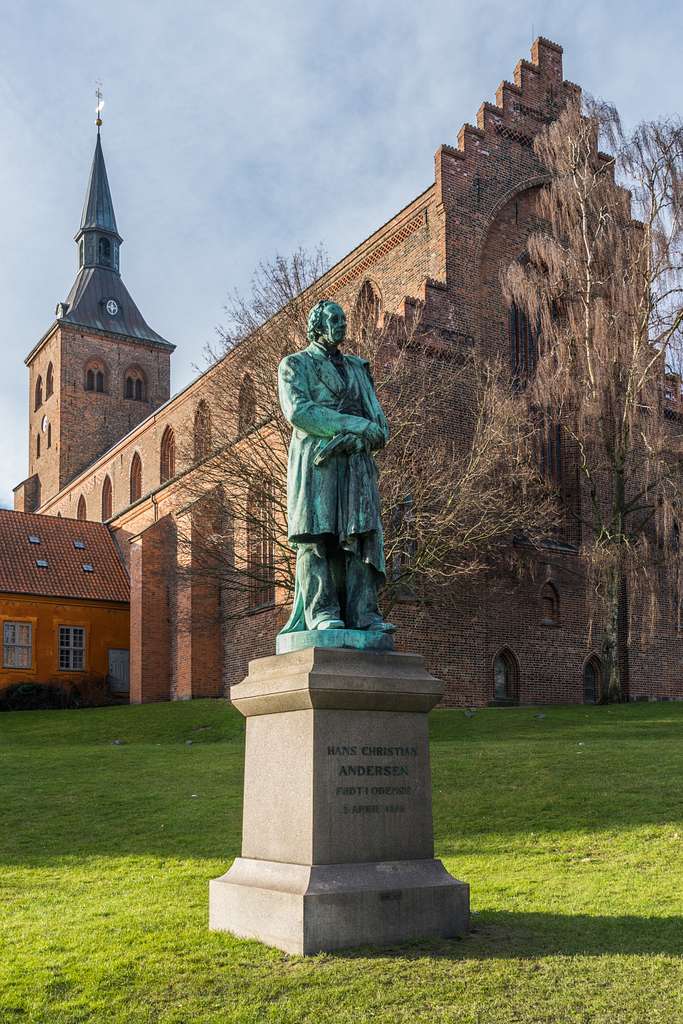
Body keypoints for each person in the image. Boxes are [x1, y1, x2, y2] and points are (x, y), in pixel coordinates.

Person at [277, 299, 395, 634]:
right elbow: (299, 412)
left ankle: (364, 613)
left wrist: (363, 437)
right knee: (318, 538)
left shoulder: (358, 368)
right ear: (317, 325)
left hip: (356, 462)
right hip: (318, 461)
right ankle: (321, 611)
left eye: (344, 319)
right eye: (334, 319)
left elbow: (380, 426)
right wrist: (354, 425)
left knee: (361, 539)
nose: (341, 324)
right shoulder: (295, 365)